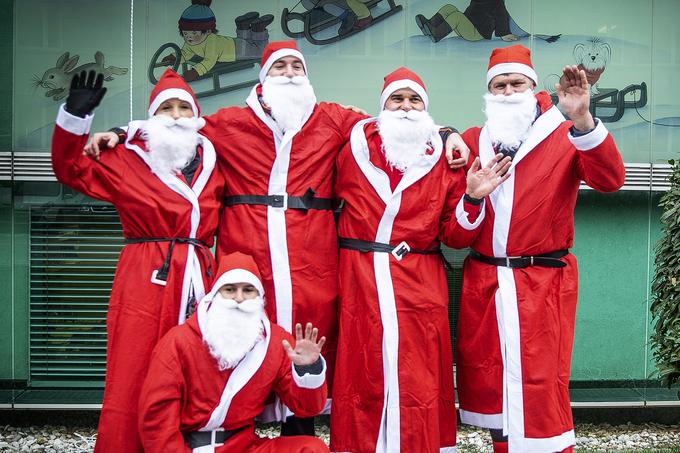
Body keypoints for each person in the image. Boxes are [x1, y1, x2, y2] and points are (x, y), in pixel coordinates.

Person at [84, 40, 469, 436]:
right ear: (263, 78)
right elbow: (180, 125)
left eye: (296, 67)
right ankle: (231, 434)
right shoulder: (228, 121)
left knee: (308, 349)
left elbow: (393, 121)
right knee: (241, 347)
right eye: (279, 67)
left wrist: (446, 131)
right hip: (250, 259)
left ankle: (299, 434)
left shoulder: (333, 119)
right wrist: (125, 130)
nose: (288, 73)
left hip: (312, 265)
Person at [329, 67, 512, 453]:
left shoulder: (445, 159)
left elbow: (455, 236)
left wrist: (474, 197)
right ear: (382, 106)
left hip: (420, 285)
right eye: (397, 99)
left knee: (419, 377)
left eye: (415, 100)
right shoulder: (352, 146)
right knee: (363, 371)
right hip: (362, 281)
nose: (406, 107)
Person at [455, 45, 625, 453]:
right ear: (488, 93)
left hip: (542, 286)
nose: (509, 90)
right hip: (487, 285)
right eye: (500, 84)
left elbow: (611, 179)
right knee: (495, 389)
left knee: (541, 389)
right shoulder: (471, 141)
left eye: (517, 83)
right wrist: (473, 198)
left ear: (533, 87)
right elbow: (456, 234)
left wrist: (583, 118)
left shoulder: (565, 131)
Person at [51, 68, 225, 453]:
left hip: (200, 274)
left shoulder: (214, 157)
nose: (177, 116)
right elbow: (70, 169)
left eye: (184, 108)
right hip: (146, 273)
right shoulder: (126, 158)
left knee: (196, 371)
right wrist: (75, 120)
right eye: (167, 108)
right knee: (134, 369)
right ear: (151, 118)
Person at [138, 252, 329, 452]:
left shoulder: (276, 343)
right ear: (215, 295)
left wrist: (308, 368)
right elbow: (156, 419)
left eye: (248, 290)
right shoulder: (178, 341)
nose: (239, 298)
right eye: (230, 290)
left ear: (259, 297)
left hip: (244, 446)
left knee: (312, 449)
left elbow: (307, 408)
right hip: (188, 447)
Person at [163, 1, 274, 81]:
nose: (189, 37)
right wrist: (174, 57)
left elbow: (209, 61)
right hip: (234, 44)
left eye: (194, 33)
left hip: (235, 52)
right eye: (185, 33)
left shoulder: (211, 42)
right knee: (246, 41)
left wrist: (195, 71)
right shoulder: (191, 42)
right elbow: (186, 53)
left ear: (207, 31)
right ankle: (243, 25)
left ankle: (258, 29)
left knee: (260, 51)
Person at [416, 0, 518, 43]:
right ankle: (430, 25)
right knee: (449, 8)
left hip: (476, 32)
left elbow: (501, 15)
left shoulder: (497, 1)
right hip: (469, 24)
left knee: (457, 16)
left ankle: (436, 34)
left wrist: (504, 33)